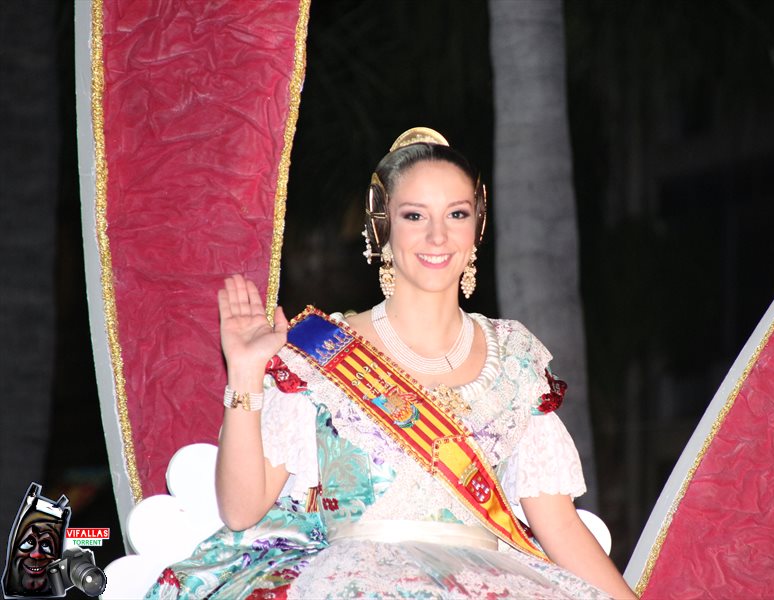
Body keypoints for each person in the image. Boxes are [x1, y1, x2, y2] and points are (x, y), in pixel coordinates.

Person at [147, 127, 637, 599]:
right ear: (382, 227)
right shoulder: (322, 353)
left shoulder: (514, 360)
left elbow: (558, 525)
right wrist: (246, 372)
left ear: (478, 226)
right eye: (415, 216)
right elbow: (240, 511)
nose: (438, 236)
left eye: (458, 214)